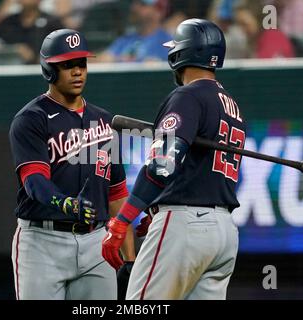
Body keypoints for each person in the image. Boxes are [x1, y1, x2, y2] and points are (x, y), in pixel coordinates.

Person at [102, 19, 246, 300]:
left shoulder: (188, 96)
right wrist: (153, 210)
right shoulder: (233, 106)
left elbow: (162, 165)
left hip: (185, 226)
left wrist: (123, 220)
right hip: (225, 234)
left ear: (181, 54)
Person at [8, 28, 136, 300]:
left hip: (96, 243)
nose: (77, 71)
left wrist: (130, 257)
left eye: (81, 63)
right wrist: (65, 202)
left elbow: (116, 194)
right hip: (43, 242)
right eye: (67, 65)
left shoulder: (103, 121)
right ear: (49, 70)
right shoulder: (31, 119)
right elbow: (33, 181)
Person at [96, 0, 172, 62]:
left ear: (159, 11)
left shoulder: (169, 43)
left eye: (142, 4)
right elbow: (101, 59)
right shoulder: (125, 40)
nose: (134, 8)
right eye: (134, 3)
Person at [0, 0, 64, 64]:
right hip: (11, 71)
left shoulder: (53, 23)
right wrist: (13, 50)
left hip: (43, 73)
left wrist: (36, 58)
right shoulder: (8, 23)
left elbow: (63, 51)